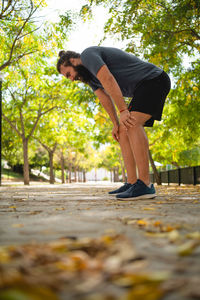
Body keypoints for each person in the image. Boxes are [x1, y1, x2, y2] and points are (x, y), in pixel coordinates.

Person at [56, 46, 171, 200]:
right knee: (122, 132)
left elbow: (108, 79)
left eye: (69, 74)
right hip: (142, 88)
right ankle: (132, 183)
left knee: (131, 124)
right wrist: (115, 124)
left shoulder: (88, 55)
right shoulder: (89, 77)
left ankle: (145, 184)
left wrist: (123, 111)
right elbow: (104, 98)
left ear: (73, 61)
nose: (71, 79)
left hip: (154, 80)